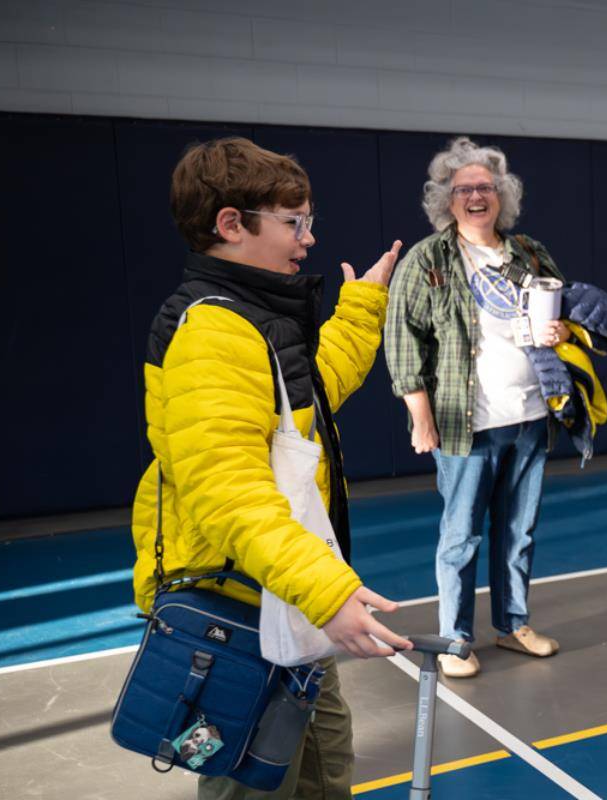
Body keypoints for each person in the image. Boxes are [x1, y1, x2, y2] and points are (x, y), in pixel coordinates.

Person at [130, 136, 412, 799]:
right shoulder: (212, 335)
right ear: (231, 225)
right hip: (239, 614)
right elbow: (231, 495)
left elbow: (310, 394)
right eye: (294, 223)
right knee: (248, 783)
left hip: (283, 605)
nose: (308, 239)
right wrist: (325, 589)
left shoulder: (255, 319)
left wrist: (364, 306)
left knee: (323, 769)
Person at [386, 137, 570, 678]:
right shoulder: (429, 259)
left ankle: (513, 625)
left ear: (502, 196)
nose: (475, 196)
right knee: (460, 535)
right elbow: (402, 340)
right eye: (463, 188)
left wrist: (558, 331)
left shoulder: (529, 254)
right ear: (446, 199)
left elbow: (557, 323)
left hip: (530, 418)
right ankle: (453, 640)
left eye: (485, 187)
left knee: (519, 530)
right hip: (466, 426)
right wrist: (420, 415)